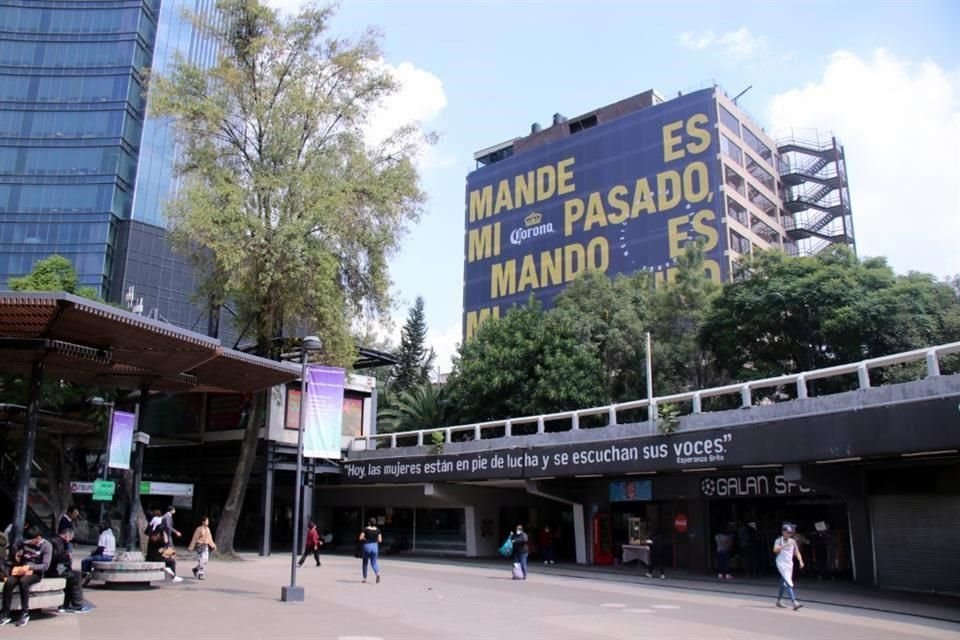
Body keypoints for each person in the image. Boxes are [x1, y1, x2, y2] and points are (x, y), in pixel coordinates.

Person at [0, 527, 52, 627]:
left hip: (35, 572)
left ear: (38, 538)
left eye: (32, 541)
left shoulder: (46, 546)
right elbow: (15, 546)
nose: (29, 543)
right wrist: (16, 554)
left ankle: (25, 612)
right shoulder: (25, 542)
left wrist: (29, 567)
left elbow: (45, 566)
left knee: (24, 582)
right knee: (9, 582)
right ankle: (5, 613)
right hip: (21, 569)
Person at [47, 528, 89, 614]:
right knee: (76, 576)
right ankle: (77, 605)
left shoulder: (55, 540)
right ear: (67, 536)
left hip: (52, 570)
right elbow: (57, 557)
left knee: (70, 577)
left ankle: (64, 605)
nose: (70, 540)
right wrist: (67, 556)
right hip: (53, 571)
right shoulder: (58, 542)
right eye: (70, 538)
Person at [774, 523, 805, 611]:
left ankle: (779, 601)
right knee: (788, 581)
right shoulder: (778, 540)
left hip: (789, 564)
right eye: (788, 532)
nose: (789, 534)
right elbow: (775, 550)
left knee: (783, 582)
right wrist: (785, 545)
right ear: (783, 532)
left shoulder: (793, 541)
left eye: (790, 532)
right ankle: (794, 602)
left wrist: (800, 561)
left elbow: (797, 552)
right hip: (781, 563)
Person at [146, 517, 183, 584]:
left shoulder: (154, 535)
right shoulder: (155, 537)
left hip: (155, 556)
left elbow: (162, 548)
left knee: (170, 559)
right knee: (171, 561)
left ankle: (171, 573)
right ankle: (173, 576)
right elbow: (163, 545)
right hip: (154, 558)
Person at [358, 518, 382, 584]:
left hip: (367, 546)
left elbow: (360, 537)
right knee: (374, 562)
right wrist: (374, 541)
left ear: (369, 523)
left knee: (365, 563)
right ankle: (377, 574)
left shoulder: (365, 529)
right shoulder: (378, 530)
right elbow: (380, 540)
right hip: (375, 547)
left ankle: (365, 579)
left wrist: (365, 539)